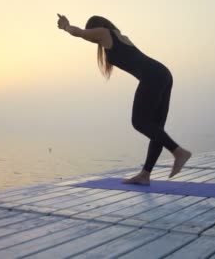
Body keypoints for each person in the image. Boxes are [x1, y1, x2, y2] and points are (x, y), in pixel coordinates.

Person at [57, 14, 192, 185]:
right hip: (162, 73)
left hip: (152, 76)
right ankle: (145, 175)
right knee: (156, 128)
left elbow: (79, 33)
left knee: (139, 122)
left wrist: (65, 26)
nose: (92, 35)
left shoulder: (104, 33)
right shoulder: (119, 36)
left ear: (96, 27)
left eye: (91, 30)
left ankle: (178, 152)